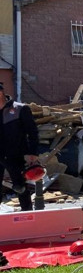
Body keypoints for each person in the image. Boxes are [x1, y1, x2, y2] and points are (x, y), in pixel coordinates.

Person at [0, 82, 40, 211]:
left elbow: (33, 132)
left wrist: (33, 153)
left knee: (20, 187)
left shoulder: (20, 109)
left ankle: (27, 215)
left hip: (15, 155)